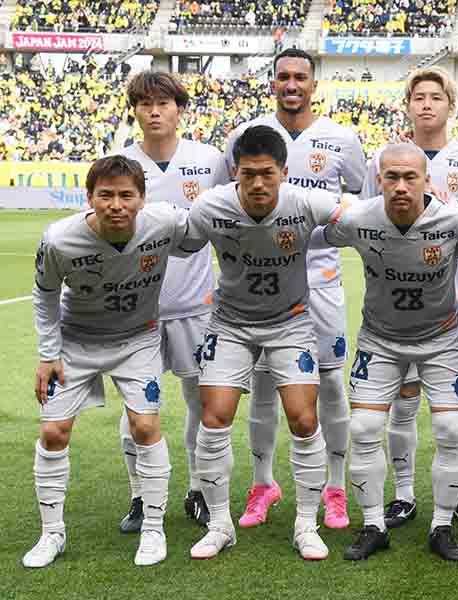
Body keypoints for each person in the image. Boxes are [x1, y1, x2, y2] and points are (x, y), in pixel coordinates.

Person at [184, 125, 342, 560]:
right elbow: (176, 237)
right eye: (248, 173)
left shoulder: (305, 202)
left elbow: (356, 217)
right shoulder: (211, 206)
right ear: (235, 172)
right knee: (214, 418)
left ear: (284, 173)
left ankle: (306, 525)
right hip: (230, 324)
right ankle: (220, 525)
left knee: (304, 420)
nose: (257, 183)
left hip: (290, 322)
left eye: (267, 173)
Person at [25, 155, 191, 568]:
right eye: (106, 195)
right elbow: (44, 294)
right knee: (53, 433)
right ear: (89, 198)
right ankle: (51, 533)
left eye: (126, 196)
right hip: (76, 341)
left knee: (145, 426)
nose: (116, 205)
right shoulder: (59, 239)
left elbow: (208, 227)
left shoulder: (164, 222)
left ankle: (153, 528)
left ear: (142, 199)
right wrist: (48, 354)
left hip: (138, 338)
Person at [225, 48, 366, 531]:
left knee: (329, 382)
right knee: (263, 384)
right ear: (273, 83)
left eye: (299, 77)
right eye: (283, 76)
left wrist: (325, 233)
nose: (291, 84)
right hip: (262, 280)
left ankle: (335, 486)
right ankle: (263, 482)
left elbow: (357, 201)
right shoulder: (245, 135)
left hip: (320, 280)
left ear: (313, 84)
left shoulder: (342, 139)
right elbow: (230, 198)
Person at [318, 144, 458, 561]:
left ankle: (441, 526)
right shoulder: (359, 218)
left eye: (411, 177)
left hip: (441, 338)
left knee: (452, 430)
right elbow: (312, 233)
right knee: (364, 428)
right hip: (380, 339)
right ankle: (374, 525)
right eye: (392, 177)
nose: (401, 186)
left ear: (427, 181)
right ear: (379, 181)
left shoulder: (455, 217)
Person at [360, 67, 458, 531]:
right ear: (407, 105)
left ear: (450, 105)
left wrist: (446, 205)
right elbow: (369, 216)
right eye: (418, 96)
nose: (426, 104)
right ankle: (403, 494)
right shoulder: (384, 158)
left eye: (435, 97)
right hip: (396, 305)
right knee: (402, 399)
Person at [116, 70, 230, 533]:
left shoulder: (209, 160)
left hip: (196, 306)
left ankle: (198, 490)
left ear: (180, 109)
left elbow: (228, 220)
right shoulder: (120, 163)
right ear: (135, 111)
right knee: (137, 408)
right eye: (145, 104)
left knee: (201, 403)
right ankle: (140, 496)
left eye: (163, 103)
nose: (154, 112)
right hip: (138, 311)